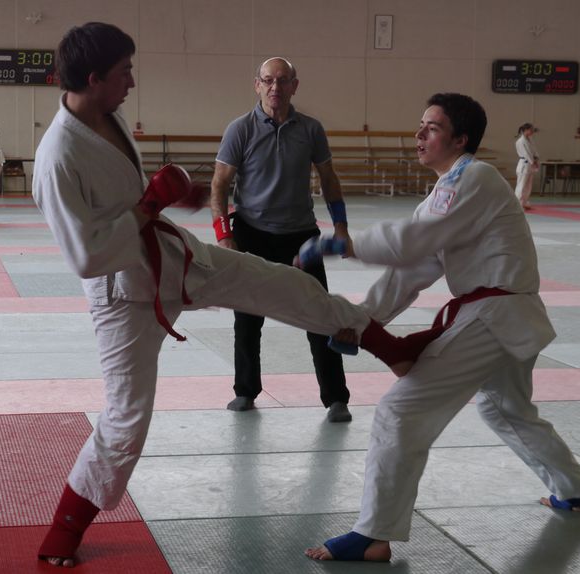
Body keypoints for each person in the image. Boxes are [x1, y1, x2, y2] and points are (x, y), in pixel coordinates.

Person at [32, 22, 422, 568]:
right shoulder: (57, 156)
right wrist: (148, 207)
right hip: (123, 296)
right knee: (125, 421)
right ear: (94, 78)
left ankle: (384, 344)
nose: (132, 81)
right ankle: (63, 534)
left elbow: (134, 200)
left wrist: (183, 196)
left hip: (173, 259)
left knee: (284, 282)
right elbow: (86, 256)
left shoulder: (107, 115)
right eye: (124, 72)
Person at [304, 93, 580, 563]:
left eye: (433, 127)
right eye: (420, 125)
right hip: (506, 316)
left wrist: (346, 243)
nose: (420, 134)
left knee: (399, 412)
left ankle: (373, 535)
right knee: (507, 409)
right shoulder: (452, 187)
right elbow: (417, 265)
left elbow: (413, 241)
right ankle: (579, 494)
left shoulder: (471, 176)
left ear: (460, 139)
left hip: (492, 315)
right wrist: (364, 319)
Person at [210, 57, 352, 423]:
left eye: (283, 80)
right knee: (247, 317)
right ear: (256, 84)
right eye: (268, 80)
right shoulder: (239, 129)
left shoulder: (311, 129)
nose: (276, 87)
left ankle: (336, 398)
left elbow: (329, 178)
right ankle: (245, 391)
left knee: (320, 314)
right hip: (250, 232)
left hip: (301, 237)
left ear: (295, 86)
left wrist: (341, 227)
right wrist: (224, 237)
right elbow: (219, 184)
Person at [513, 122, 539, 210]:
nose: (532, 131)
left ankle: (524, 202)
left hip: (530, 165)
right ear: (526, 130)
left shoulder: (530, 140)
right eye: (531, 130)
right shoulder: (520, 141)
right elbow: (526, 153)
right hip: (524, 164)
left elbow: (534, 151)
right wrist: (533, 162)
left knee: (528, 185)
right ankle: (517, 204)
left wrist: (536, 158)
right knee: (521, 185)